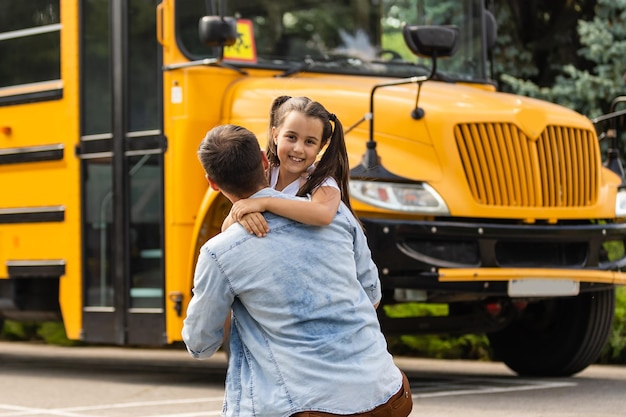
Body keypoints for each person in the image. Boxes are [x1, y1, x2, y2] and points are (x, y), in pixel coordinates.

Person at [182, 124, 412, 417]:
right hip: (388, 395)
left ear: (212, 183)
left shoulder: (220, 252)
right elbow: (371, 293)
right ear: (266, 161)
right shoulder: (332, 212)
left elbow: (200, 345)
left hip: (309, 408)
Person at [222, 96, 356, 237]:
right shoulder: (264, 174)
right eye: (291, 137)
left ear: (321, 146)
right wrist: (240, 215)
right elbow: (225, 231)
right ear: (275, 135)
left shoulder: (321, 182)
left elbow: (324, 214)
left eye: (309, 142)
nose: (298, 148)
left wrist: (265, 202)